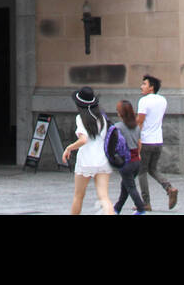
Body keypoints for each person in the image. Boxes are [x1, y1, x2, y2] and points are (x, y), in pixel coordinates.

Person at [61, 87, 114, 215]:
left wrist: (69, 147)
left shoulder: (81, 118)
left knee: (78, 196)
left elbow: (83, 140)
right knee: (104, 197)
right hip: (102, 160)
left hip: (86, 160)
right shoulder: (102, 117)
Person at [137, 74, 178, 210]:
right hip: (158, 141)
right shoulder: (163, 100)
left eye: (144, 84)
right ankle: (169, 187)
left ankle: (146, 202)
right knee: (152, 169)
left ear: (151, 87)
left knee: (142, 171)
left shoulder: (144, 101)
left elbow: (140, 122)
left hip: (146, 141)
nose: (141, 87)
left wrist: (137, 139)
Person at [111, 99, 145, 215]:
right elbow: (139, 144)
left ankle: (141, 209)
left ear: (121, 113)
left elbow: (113, 144)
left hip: (125, 161)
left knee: (130, 187)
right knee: (125, 186)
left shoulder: (118, 127)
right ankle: (117, 208)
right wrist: (138, 155)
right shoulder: (136, 126)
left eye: (118, 110)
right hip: (136, 161)